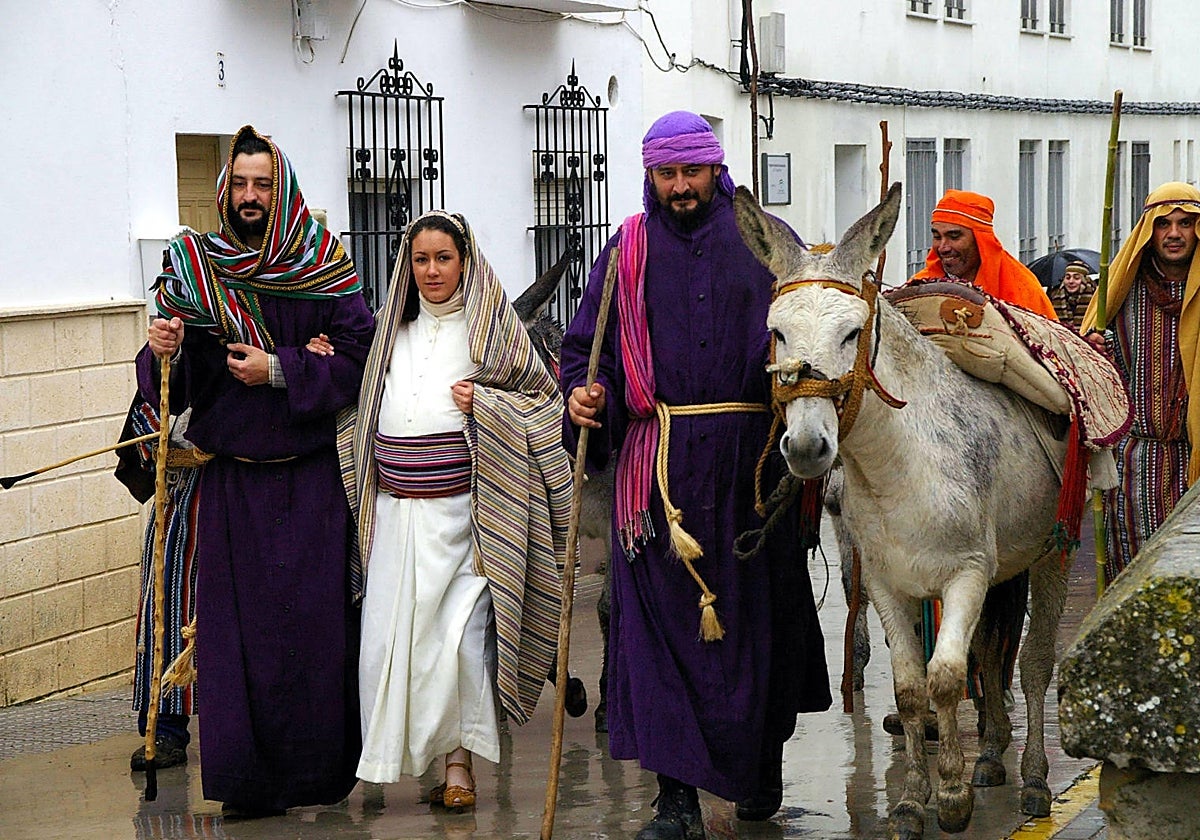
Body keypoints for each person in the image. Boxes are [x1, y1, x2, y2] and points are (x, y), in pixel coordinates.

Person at [562, 111, 831, 840]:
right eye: (665, 173)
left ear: (716, 168)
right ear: (650, 175)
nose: (679, 186)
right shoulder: (627, 253)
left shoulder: (768, 243)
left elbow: (812, 336)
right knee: (659, 641)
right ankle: (674, 798)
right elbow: (586, 352)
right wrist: (586, 398)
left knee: (757, 629)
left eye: (691, 171)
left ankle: (757, 766)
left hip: (752, 468)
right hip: (658, 478)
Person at [140, 125, 374, 816]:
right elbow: (172, 385)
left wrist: (280, 368)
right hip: (233, 486)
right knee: (238, 643)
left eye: (262, 184)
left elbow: (358, 360)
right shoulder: (198, 272)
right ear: (224, 190)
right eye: (239, 184)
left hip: (308, 483)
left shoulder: (324, 264)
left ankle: (319, 777)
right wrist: (168, 346)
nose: (249, 196)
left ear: (284, 189)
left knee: (315, 632)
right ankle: (246, 786)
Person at [338, 210, 572, 811]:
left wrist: (488, 404)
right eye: (421, 259)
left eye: (444, 258)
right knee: (398, 646)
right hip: (395, 519)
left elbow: (545, 407)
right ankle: (389, 759)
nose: (433, 270)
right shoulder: (391, 336)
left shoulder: (490, 334)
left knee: (462, 645)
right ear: (406, 267)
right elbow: (358, 408)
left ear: (464, 261)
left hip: (468, 522)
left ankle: (459, 766)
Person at [890, 189, 1059, 739]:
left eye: (955, 237)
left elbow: (1045, 352)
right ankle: (935, 700)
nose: (944, 247)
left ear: (979, 238)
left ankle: (994, 707)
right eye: (937, 236)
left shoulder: (1020, 286)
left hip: (1007, 447)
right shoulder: (924, 284)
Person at [1081, 181, 1200, 581]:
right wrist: (1095, 351)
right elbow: (1089, 371)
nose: (1174, 234)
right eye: (1163, 223)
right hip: (1134, 462)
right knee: (1132, 577)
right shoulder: (1119, 292)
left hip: (1195, 459)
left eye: (1185, 223)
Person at [1049, 261, 1097, 332]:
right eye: (1068, 278)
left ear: (1085, 280)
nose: (1071, 281)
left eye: (1076, 278)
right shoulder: (1054, 296)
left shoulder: (1095, 298)